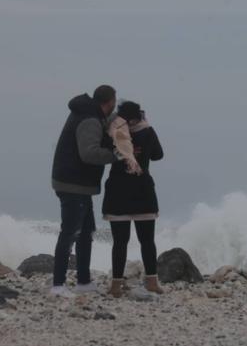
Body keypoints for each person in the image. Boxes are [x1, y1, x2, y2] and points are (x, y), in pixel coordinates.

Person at [51, 85, 118, 298]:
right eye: (114, 104)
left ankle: (83, 281)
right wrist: (115, 154)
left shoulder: (90, 115)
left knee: (86, 232)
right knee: (70, 233)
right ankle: (58, 285)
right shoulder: (90, 120)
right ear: (109, 102)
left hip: (78, 184)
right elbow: (88, 153)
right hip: (72, 184)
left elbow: (106, 125)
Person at [102, 101, 164, 297]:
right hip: (142, 189)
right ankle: (152, 282)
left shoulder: (113, 131)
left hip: (117, 191)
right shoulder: (147, 131)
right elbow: (158, 155)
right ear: (140, 115)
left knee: (120, 242)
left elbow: (104, 154)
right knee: (147, 240)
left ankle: (116, 286)